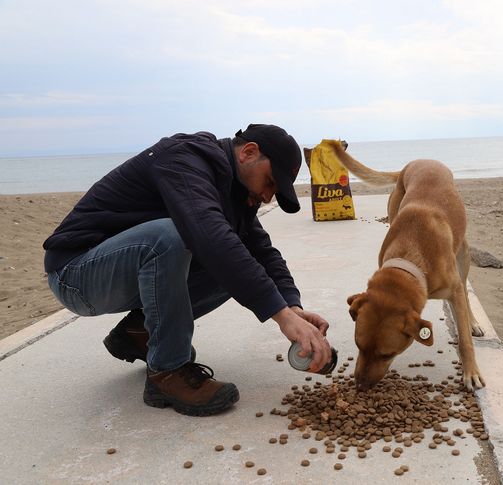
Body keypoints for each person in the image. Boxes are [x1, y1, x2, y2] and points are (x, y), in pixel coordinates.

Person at [43, 124, 332, 417]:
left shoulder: (234, 191)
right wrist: (279, 316)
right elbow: (210, 236)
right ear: (248, 152)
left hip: (122, 271)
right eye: (270, 183)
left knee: (234, 261)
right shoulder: (184, 160)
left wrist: (291, 308)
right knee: (172, 237)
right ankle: (167, 373)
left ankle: (138, 334)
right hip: (76, 274)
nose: (268, 197)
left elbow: (262, 253)